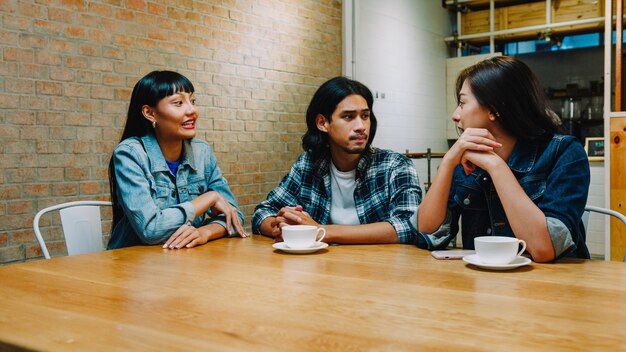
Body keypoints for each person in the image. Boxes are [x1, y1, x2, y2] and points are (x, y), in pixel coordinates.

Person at [416, 56, 590, 262]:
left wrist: (495, 165)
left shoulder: (564, 152)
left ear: (494, 109)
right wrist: (447, 163)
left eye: (462, 103)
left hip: (554, 286)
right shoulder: (464, 160)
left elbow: (544, 249)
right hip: (484, 285)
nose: (455, 115)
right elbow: (428, 232)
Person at [252, 76, 422, 244]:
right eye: (348, 117)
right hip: (322, 267)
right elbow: (263, 212)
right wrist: (283, 227)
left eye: (365, 116)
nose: (361, 126)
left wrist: (321, 231)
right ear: (322, 123)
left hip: (376, 267)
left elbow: (410, 225)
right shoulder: (308, 164)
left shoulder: (395, 165)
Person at [107, 71, 246, 250]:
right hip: (132, 265)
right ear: (150, 113)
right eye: (178, 103)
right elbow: (151, 229)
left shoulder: (202, 151)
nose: (192, 110)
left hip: (184, 260)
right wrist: (210, 197)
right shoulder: (130, 154)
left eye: (193, 101)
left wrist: (204, 233)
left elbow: (234, 214)